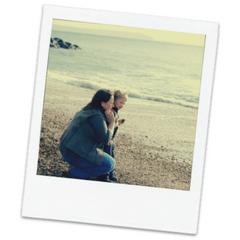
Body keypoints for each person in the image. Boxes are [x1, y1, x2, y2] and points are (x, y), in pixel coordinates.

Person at [58, 89, 116, 181]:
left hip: (65, 149)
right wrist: (112, 123)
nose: (113, 105)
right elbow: (105, 140)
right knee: (110, 164)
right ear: (102, 104)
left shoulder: (86, 109)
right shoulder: (97, 117)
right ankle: (75, 173)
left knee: (101, 154)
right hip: (73, 155)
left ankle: (81, 167)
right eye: (111, 102)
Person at [97, 90, 128, 182]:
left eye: (124, 103)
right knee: (107, 155)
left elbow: (113, 123)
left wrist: (118, 123)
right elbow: (107, 124)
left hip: (112, 138)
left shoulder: (115, 111)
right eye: (120, 102)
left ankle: (111, 173)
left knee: (112, 155)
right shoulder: (110, 111)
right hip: (108, 139)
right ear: (114, 100)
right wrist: (109, 138)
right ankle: (103, 176)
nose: (122, 105)